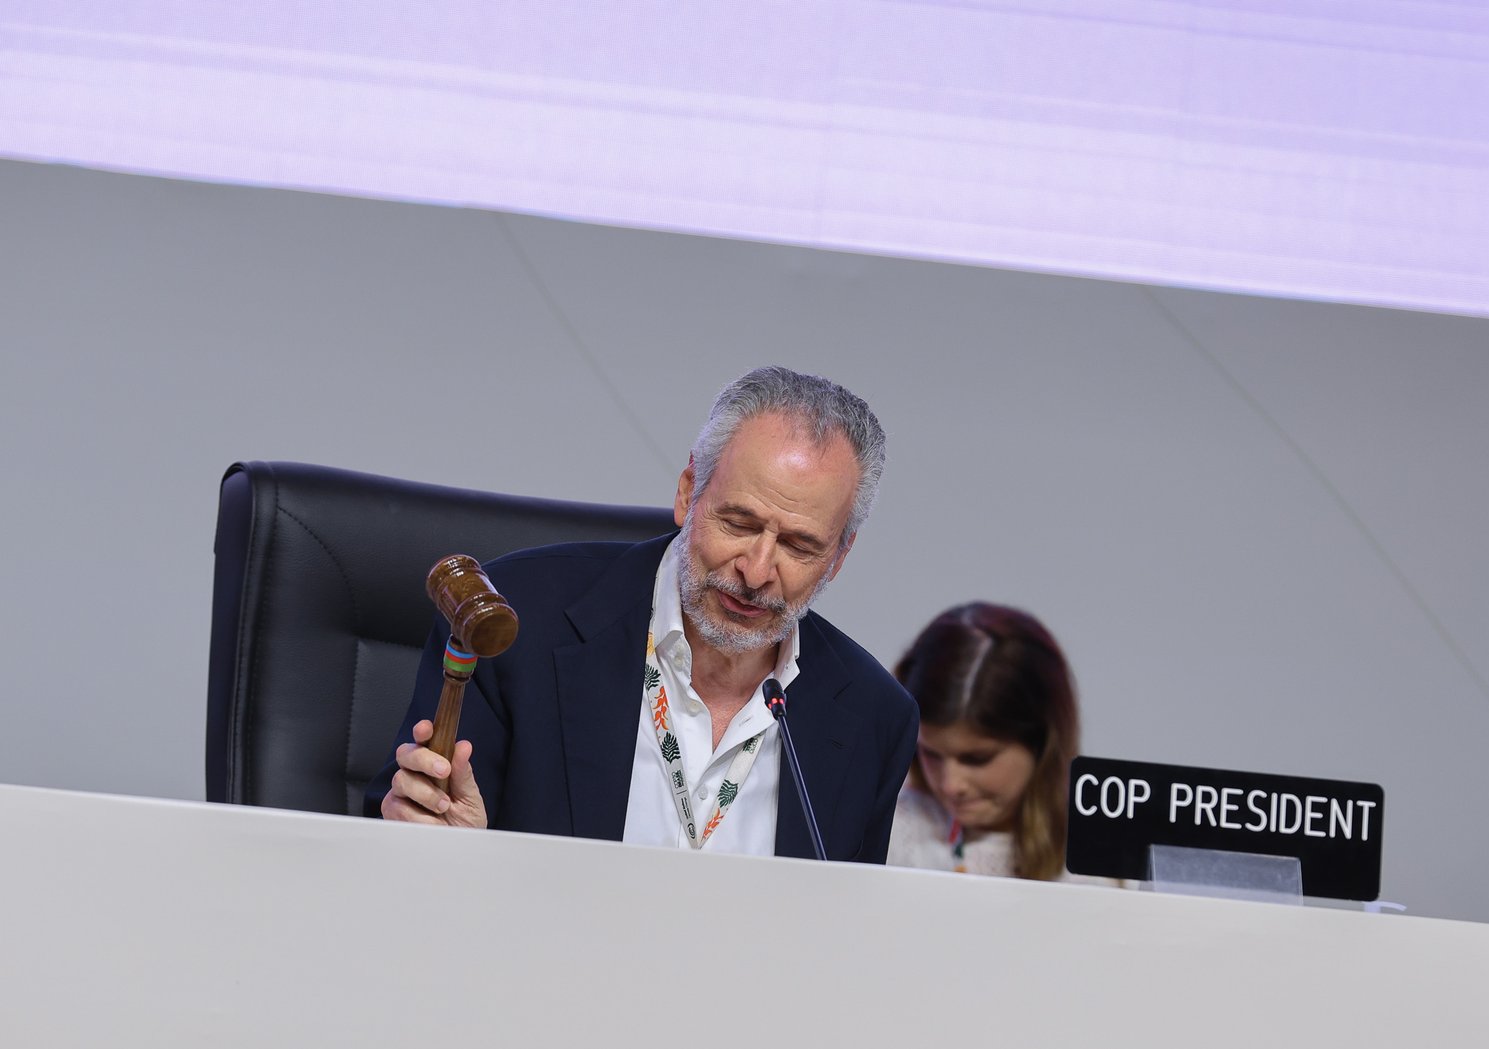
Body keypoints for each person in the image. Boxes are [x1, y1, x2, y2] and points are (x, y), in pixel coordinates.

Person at [365, 366, 919, 862]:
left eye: (798, 546)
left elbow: (845, 939)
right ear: (687, 495)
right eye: (739, 524)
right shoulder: (514, 627)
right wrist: (451, 853)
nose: (756, 571)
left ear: (838, 558)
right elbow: (402, 846)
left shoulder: (874, 717)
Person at [886, 603, 1088, 881]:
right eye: (930, 754)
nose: (951, 785)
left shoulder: (1101, 858)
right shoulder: (888, 830)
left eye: (976, 759)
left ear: (1042, 743)